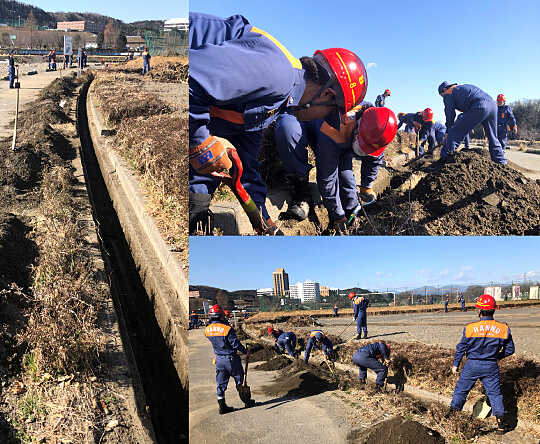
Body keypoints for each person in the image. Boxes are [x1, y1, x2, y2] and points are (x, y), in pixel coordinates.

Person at [189, 12, 369, 235]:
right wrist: (199, 142)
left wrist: (263, 220)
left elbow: (244, 163)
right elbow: (192, 78)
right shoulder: (277, 75)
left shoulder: (277, 104)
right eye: (330, 112)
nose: (322, 119)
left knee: (196, 205)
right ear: (326, 94)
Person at [275, 104, 396, 229]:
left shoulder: (375, 123)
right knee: (288, 129)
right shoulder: (335, 129)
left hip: (341, 137)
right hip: (305, 120)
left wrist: (367, 186)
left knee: (348, 187)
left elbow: (374, 158)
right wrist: (338, 216)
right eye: (361, 145)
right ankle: (302, 194)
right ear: (357, 128)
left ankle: (352, 214)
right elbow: (327, 179)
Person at [449, 294, 514, 434]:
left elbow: (461, 348)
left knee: (461, 390)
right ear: (494, 310)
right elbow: (510, 350)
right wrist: (496, 357)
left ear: (479, 310)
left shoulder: (470, 328)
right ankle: (501, 425)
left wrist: (456, 365)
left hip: (471, 365)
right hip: (491, 366)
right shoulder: (503, 328)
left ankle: (452, 415)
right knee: (495, 394)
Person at [430, 82, 506, 171]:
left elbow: (450, 115)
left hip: (480, 106)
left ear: (445, 89)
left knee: (454, 133)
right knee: (493, 137)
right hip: (493, 105)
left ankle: (443, 163)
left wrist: (448, 132)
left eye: (442, 96)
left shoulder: (449, 93)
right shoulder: (462, 88)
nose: (443, 98)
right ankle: (501, 164)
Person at [204, 304, 254, 414]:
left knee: (221, 383)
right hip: (231, 358)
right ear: (222, 316)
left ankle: (222, 406)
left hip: (219, 359)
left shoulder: (207, 330)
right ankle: (247, 401)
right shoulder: (227, 329)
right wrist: (246, 352)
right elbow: (235, 344)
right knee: (240, 380)